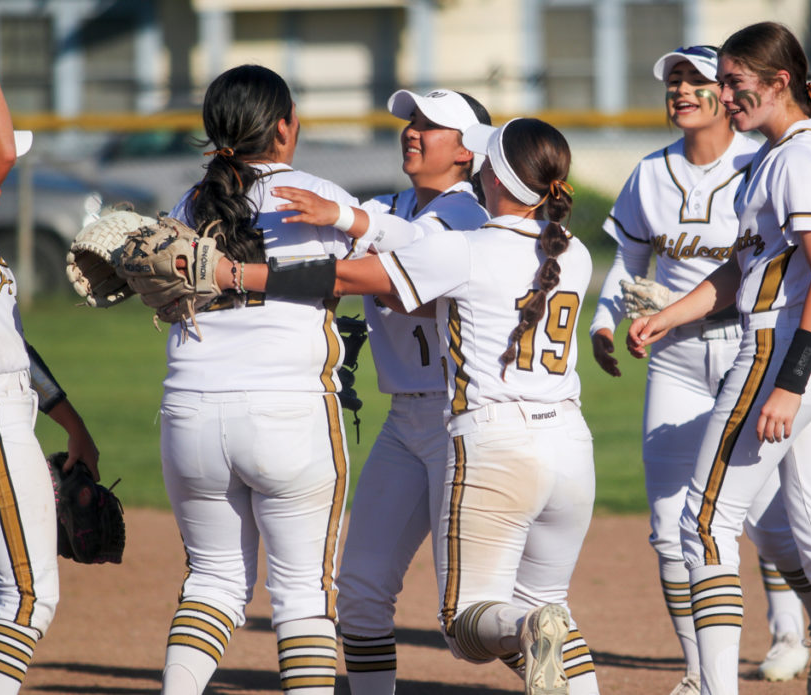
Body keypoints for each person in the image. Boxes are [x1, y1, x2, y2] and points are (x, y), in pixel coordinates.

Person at [204, 116, 599, 695]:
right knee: (528, 609)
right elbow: (427, 297)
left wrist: (233, 273)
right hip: (568, 444)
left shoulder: (467, 246)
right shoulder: (576, 252)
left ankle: (526, 625)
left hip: (492, 440)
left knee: (469, 628)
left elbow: (348, 274)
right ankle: (538, 632)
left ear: (488, 173)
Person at [628, 22, 811, 695]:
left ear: (780, 83)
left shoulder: (798, 156)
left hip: (786, 349)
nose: (725, 95)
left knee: (704, 520)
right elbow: (737, 276)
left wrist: (789, 383)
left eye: (737, 83)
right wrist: (670, 314)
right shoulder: (779, 157)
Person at [588, 44, 808, 692]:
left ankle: (804, 628)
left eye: (695, 79)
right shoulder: (650, 173)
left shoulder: (760, 161)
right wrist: (604, 321)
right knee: (669, 523)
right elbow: (627, 264)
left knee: (764, 510)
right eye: (673, 81)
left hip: (751, 347)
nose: (681, 90)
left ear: (729, 91)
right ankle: (698, 670)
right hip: (678, 358)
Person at [271, 87, 491, 694]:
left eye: (432, 125)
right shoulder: (386, 204)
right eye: (411, 121)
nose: (412, 132)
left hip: (464, 421)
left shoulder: (472, 215)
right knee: (361, 590)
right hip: (404, 422)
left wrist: (343, 230)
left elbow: (401, 283)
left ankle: (564, 672)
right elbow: (319, 251)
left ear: (469, 152)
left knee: (470, 613)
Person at [156, 64, 355, 695]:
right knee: (302, 593)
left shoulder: (187, 205)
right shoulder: (319, 196)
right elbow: (378, 282)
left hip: (190, 414)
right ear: (286, 127)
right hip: (288, 413)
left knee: (212, 583)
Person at [0, 11, 100, 694]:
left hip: (1, 408)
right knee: (24, 599)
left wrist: (70, 421)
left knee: (8, 597)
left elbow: (13, 346)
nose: (0, 164)